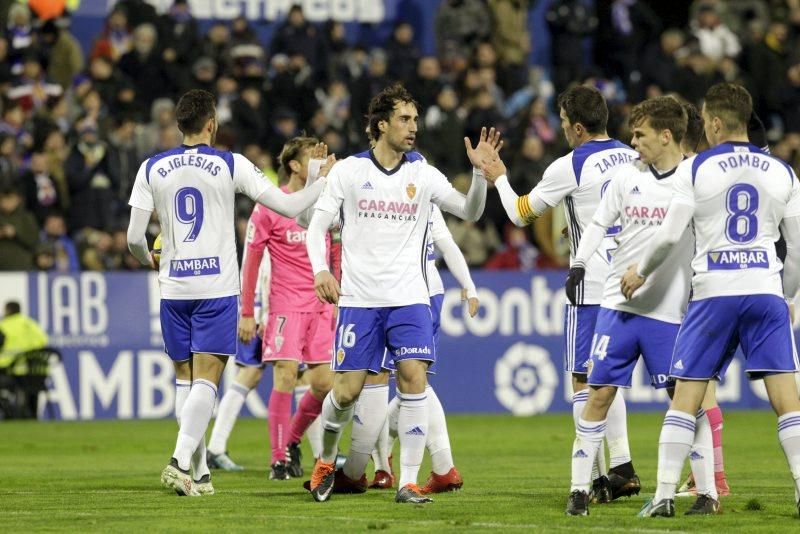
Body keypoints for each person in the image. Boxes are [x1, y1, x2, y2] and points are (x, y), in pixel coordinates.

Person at [126, 89, 326, 497]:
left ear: (178, 124)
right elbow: (290, 207)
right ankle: (180, 460)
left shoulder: (151, 167)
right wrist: (320, 180)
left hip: (173, 286)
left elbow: (133, 238)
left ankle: (199, 472)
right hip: (215, 287)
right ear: (212, 124)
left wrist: (150, 256)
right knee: (209, 380)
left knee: (186, 380)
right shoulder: (230, 163)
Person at [304, 83, 491, 503]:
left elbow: (471, 211)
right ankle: (326, 459)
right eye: (404, 119)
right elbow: (316, 227)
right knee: (347, 391)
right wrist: (320, 270)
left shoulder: (422, 174)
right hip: (359, 301)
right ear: (381, 124)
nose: (413, 127)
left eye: (416, 119)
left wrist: (479, 174)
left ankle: (407, 481)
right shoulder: (350, 172)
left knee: (413, 380)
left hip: (410, 299)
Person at [620, 83, 800, 517]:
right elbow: (796, 249)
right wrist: (789, 296)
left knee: (686, 396)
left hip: (714, 293)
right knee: (788, 401)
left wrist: (640, 271)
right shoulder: (783, 172)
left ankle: (663, 496)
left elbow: (669, 234)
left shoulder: (696, 169)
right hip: (764, 289)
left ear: (715, 123)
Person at [560, 96, 718, 516]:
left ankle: (707, 492)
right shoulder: (627, 177)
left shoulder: (694, 179)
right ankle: (578, 490)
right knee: (598, 394)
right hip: (617, 307)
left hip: (668, 314)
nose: (633, 143)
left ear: (666, 136)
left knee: (684, 401)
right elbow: (596, 223)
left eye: (640, 134)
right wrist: (578, 264)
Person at [483, 85, 640, 500]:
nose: (563, 131)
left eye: (565, 124)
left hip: (591, 283)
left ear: (577, 128)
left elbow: (520, 214)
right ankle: (621, 467)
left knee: (582, 379)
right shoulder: (633, 155)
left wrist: (499, 178)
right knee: (610, 377)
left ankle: (589, 478)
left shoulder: (571, 164)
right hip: (634, 279)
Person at [236, 137, 337, 481]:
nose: (321, 162)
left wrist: (340, 294)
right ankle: (278, 458)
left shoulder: (326, 201)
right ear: (294, 165)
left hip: (322, 305)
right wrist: (247, 311)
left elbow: (335, 251)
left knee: (324, 383)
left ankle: (293, 440)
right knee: (285, 376)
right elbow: (251, 261)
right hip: (285, 307)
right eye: (314, 157)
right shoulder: (270, 205)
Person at [369, 203, 480, 494]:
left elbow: (447, 244)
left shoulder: (417, 196)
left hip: (410, 294)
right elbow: (448, 244)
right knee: (409, 383)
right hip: (404, 292)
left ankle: (391, 463)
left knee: (405, 380)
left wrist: (469, 284)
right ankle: (439, 468)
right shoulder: (404, 194)